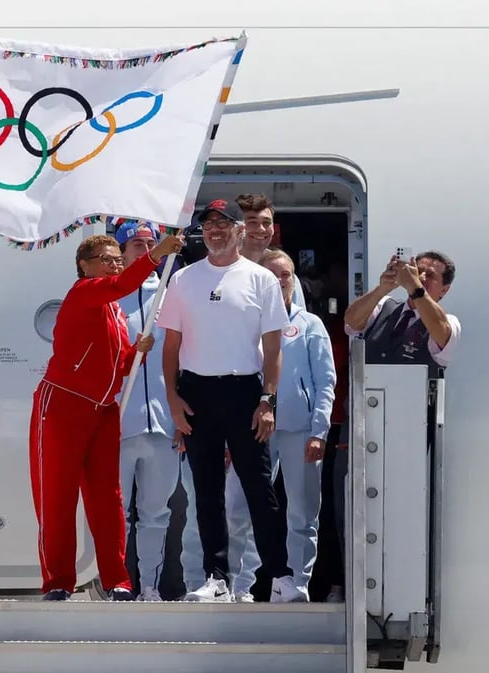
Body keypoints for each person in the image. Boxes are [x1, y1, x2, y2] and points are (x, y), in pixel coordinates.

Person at [156, 198, 304, 603]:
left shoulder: (261, 279)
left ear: (240, 231)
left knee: (260, 491)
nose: (215, 231)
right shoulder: (183, 279)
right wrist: (172, 397)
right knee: (206, 492)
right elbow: (171, 344)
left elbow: (274, 346)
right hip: (196, 394)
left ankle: (279, 577)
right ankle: (215, 577)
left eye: (224, 224)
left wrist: (267, 399)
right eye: (209, 225)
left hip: (245, 394)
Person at [29, 230, 185, 601]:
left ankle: (117, 579)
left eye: (118, 259)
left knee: (108, 498)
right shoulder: (84, 292)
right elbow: (120, 284)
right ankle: (58, 582)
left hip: (102, 409)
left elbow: (116, 362)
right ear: (85, 267)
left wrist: (137, 351)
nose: (115, 265)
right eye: (107, 259)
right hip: (64, 405)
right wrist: (157, 255)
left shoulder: (113, 309)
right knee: (58, 497)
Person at [329, 250, 460, 599]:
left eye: (430, 275)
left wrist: (416, 291)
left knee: (399, 512)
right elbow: (351, 322)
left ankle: (396, 590)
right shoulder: (383, 311)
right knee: (350, 508)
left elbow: (441, 335)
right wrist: (383, 287)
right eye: (418, 270)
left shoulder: (447, 319)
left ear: (444, 289)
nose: (420, 276)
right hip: (361, 427)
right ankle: (349, 583)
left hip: (407, 436)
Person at [224, 249, 336, 602]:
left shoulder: (310, 325)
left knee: (302, 513)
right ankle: (239, 587)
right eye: (271, 275)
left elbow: (325, 382)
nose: (279, 281)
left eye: (285, 275)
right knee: (241, 508)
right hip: (254, 430)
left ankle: (295, 586)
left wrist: (319, 430)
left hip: (299, 430)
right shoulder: (244, 323)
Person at [113, 221, 204, 601]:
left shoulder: (171, 297)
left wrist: (182, 415)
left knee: (156, 513)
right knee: (116, 512)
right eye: (136, 244)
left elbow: (188, 360)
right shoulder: (109, 298)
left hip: (163, 423)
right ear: (122, 252)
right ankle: (116, 582)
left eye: (151, 243)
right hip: (117, 423)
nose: (145, 249)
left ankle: (148, 585)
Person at [235, 193, 306, 308]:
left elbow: (298, 322)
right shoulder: (222, 268)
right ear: (238, 227)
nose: (261, 229)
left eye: (267, 222)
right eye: (252, 222)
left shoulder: (285, 275)